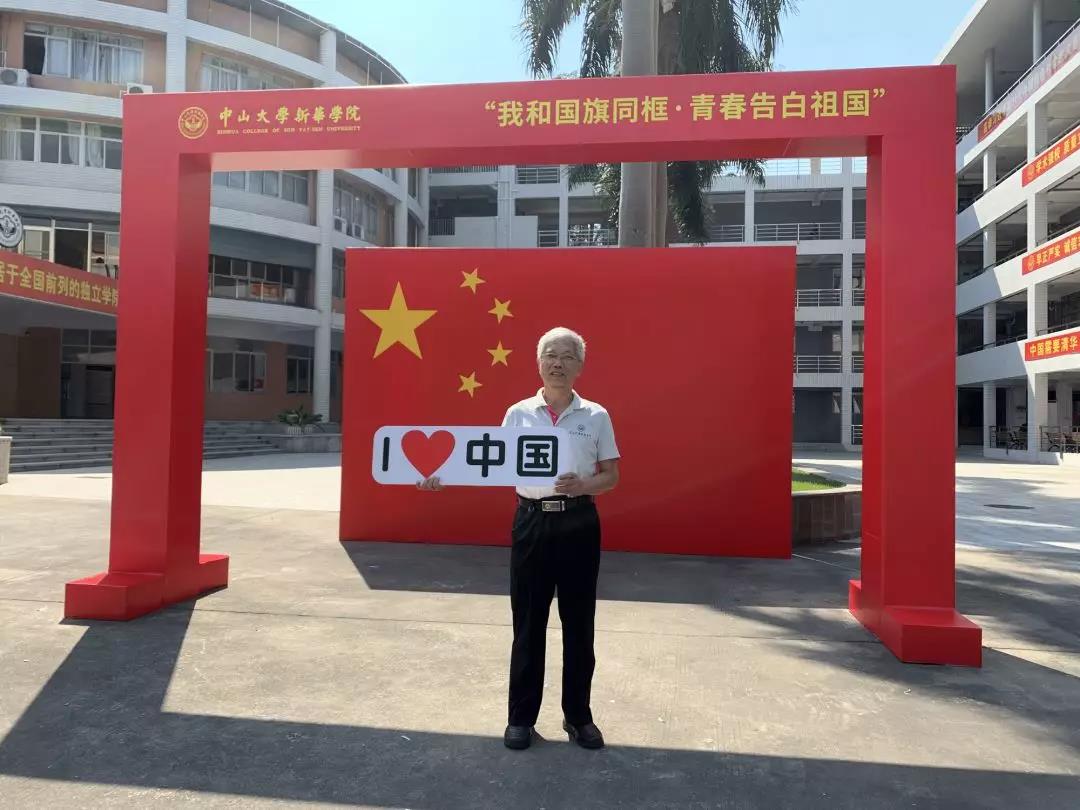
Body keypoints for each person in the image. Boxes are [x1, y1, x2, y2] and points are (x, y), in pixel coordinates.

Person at [417, 326, 620, 751]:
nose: (557, 363)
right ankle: (521, 718)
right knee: (528, 624)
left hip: (579, 523)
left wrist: (583, 485)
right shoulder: (518, 414)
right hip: (531, 523)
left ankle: (578, 717)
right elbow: (488, 461)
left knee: (579, 624)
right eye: (550, 355)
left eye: (567, 356)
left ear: (580, 366)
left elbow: (611, 476)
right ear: (539, 363)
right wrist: (438, 473)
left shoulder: (596, 416)